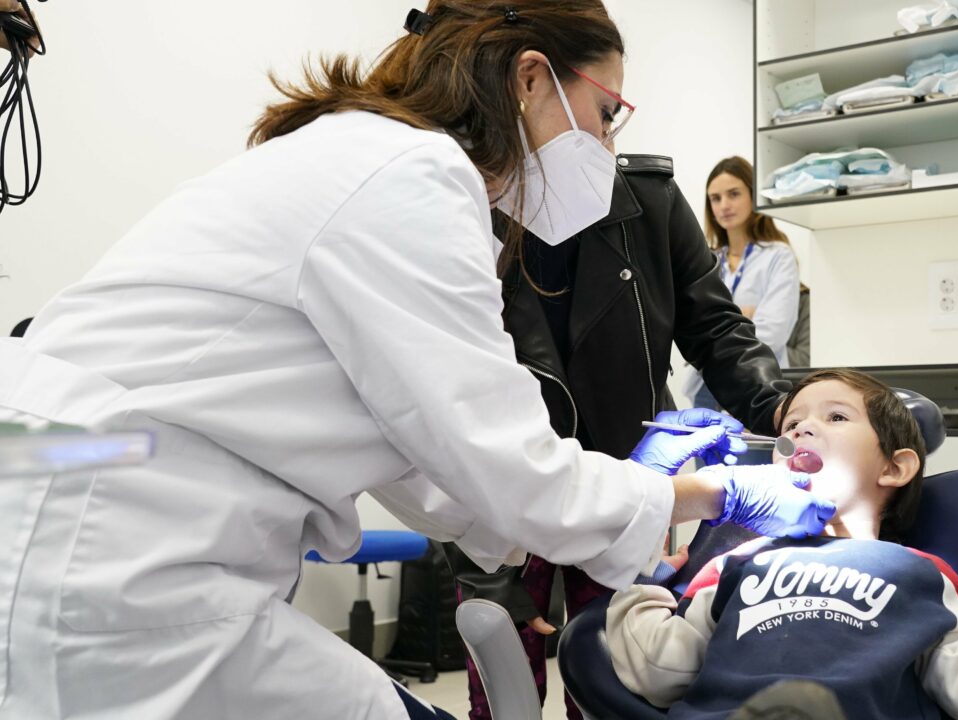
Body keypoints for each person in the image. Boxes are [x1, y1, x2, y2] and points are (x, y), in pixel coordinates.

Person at [0, 3, 836, 718]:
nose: (611, 143)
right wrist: (715, 490)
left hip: (84, 511)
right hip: (108, 549)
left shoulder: (358, 155)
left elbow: (439, 469)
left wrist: (621, 495)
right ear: (533, 77)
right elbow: (507, 471)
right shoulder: (413, 176)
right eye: (609, 110)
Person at [450, 152, 793, 720]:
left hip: (626, 481)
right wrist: (476, 566)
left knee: (617, 685)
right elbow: (444, 404)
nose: (607, 133)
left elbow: (716, 330)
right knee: (501, 686)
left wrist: (780, 408)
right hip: (507, 489)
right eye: (604, 108)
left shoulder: (646, 199)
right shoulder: (468, 203)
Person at [607, 369, 958, 720]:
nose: (800, 431)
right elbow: (660, 670)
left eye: (836, 417)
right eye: (792, 423)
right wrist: (643, 573)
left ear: (894, 468)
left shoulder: (923, 573)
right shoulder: (737, 565)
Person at [686, 156, 800, 410]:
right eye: (715, 198)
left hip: (758, 381)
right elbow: (693, 325)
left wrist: (723, 328)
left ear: (752, 195)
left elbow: (774, 331)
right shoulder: (708, 260)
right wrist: (744, 317)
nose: (724, 205)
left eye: (734, 194)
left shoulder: (778, 255)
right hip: (706, 385)